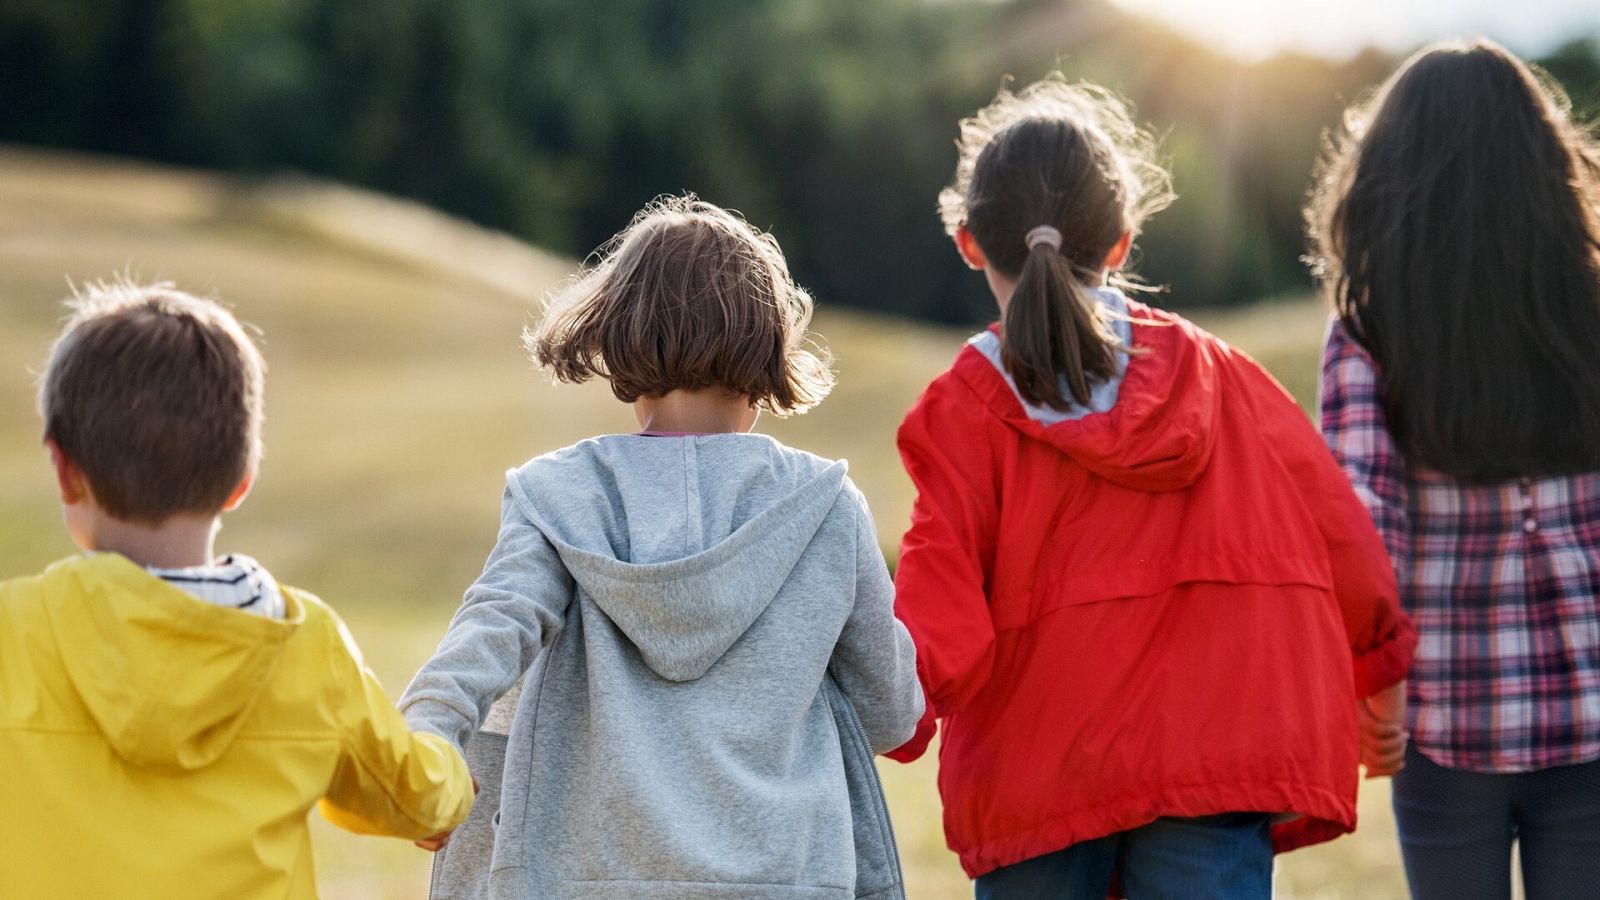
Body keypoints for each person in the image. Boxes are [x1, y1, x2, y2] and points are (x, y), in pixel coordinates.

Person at [885, 76, 1418, 899]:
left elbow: (939, 603)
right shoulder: (1219, 374)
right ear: (1122, 242)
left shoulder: (963, 407)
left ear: (968, 242)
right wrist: (1379, 673)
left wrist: (886, 707)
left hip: (1038, 776)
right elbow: (1340, 532)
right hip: (1215, 755)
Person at [400, 196, 924, 900]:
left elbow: (494, 624)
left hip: (583, 881)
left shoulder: (560, 497)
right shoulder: (826, 507)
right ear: (768, 348)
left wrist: (428, 730)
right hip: (787, 878)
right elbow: (891, 714)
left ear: (617, 335)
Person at [0, 280, 475, 900]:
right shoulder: (306, 644)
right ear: (241, 481)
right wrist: (451, 777)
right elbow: (412, 794)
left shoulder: (13, 631)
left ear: (65, 470)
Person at [1310, 38, 1600, 900]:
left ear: (1390, 179)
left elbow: (1364, 531)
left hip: (1440, 717)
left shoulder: (1368, 331)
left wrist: (1375, 692)